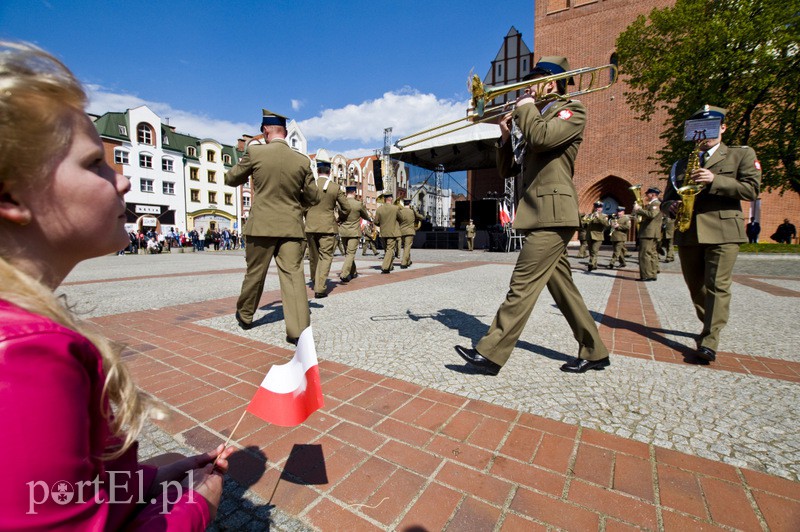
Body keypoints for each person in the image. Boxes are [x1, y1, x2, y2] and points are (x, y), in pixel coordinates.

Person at [0, 41, 234, 529]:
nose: (123, 181)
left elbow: (68, 492)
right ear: (11, 195)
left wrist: (157, 477)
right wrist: (198, 504)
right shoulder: (28, 353)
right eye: (94, 165)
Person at [454, 56, 610, 375]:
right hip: (539, 212)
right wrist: (505, 136)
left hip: (553, 214)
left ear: (551, 82)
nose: (525, 88)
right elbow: (509, 169)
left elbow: (542, 139)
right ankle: (594, 351)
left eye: (533, 80)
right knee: (562, 288)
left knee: (522, 283)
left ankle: (492, 353)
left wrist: (524, 107)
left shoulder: (570, 111)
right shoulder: (534, 117)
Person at [661, 105, 761, 362]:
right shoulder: (681, 164)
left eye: (710, 128)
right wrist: (669, 206)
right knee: (696, 287)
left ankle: (709, 339)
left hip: (724, 229)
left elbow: (751, 190)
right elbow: (667, 199)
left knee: (718, 285)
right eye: (697, 130)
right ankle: (711, 323)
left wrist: (714, 180)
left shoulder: (740, 155)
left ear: (723, 128)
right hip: (689, 231)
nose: (703, 134)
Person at [225, 108, 319, 343]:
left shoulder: (256, 154)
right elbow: (313, 197)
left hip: (261, 227)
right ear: (285, 133)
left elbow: (231, 179)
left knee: (255, 273)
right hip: (291, 227)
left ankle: (246, 315)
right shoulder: (302, 160)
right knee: (293, 276)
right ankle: (297, 331)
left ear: (266, 130)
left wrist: (249, 151)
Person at [305, 151, 349, 298]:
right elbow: (346, 208)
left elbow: (302, 205)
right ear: (329, 172)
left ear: (317, 170)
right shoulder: (335, 187)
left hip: (310, 226)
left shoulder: (310, 186)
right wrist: (339, 218)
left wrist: (308, 215)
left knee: (313, 256)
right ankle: (320, 287)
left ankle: (314, 279)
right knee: (325, 257)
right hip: (328, 227)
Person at [338, 185, 371, 282]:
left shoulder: (341, 204)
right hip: (354, 232)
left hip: (343, 232)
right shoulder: (358, 204)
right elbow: (365, 216)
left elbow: (340, 217)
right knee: (350, 254)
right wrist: (370, 219)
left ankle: (353, 272)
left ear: (346, 192)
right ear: (354, 192)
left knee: (347, 254)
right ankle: (344, 273)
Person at [633, 187, 662, 281]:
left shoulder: (656, 203)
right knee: (652, 254)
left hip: (648, 233)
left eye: (647, 194)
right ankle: (652, 274)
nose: (646, 196)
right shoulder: (652, 204)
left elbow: (652, 215)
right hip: (650, 232)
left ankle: (646, 275)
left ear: (653, 194)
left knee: (644, 254)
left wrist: (639, 209)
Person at [373, 193, 400, 273]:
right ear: (391, 199)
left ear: (384, 199)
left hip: (383, 232)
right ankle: (385, 267)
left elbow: (376, 222)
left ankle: (390, 266)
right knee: (389, 250)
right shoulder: (396, 208)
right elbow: (401, 219)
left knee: (387, 250)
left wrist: (381, 224)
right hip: (392, 232)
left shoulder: (379, 209)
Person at [397, 199, 424, 268]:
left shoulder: (400, 211)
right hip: (410, 231)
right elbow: (421, 217)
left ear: (403, 203)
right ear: (409, 203)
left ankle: (408, 261)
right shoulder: (412, 211)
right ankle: (404, 263)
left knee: (406, 247)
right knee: (407, 247)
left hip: (401, 232)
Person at [582, 201, 608, 271]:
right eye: (596, 207)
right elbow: (584, 225)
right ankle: (594, 265)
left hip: (598, 236)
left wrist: (598, 218)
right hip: (589, 236)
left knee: (594, 251)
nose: (597, 209)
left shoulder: (604, 216)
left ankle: (590, 264)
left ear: (602, 208)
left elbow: (606, 224)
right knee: (591, 252)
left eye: (599, 207)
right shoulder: (590, 215)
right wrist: (584, 221)